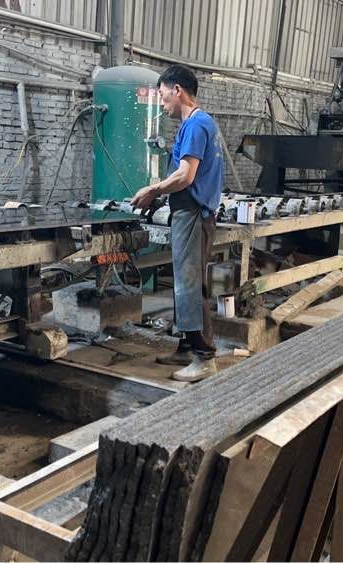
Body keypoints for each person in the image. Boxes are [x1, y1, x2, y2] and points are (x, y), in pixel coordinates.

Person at [131, 64, 224, 382]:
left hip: (194, 214)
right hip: (188, 212)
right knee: (185, 283)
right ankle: (187, 347)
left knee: (190, 285)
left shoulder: (196, 124)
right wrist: (161, 195)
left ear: (177, 90)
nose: (162, 102)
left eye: (163, 95)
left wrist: (153, 189)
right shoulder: (197, 124)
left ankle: (204, 357)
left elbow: (186, 176)